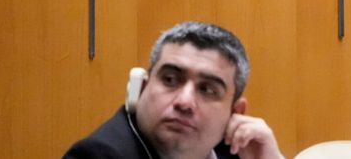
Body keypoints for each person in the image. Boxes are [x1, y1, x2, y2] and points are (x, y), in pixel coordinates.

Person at [64, 21, 283, 159]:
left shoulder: (238, 151)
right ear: (141, 88)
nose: (184, 101)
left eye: (207, 90)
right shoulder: (100, 154)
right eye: (170, 80)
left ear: (235, 113)